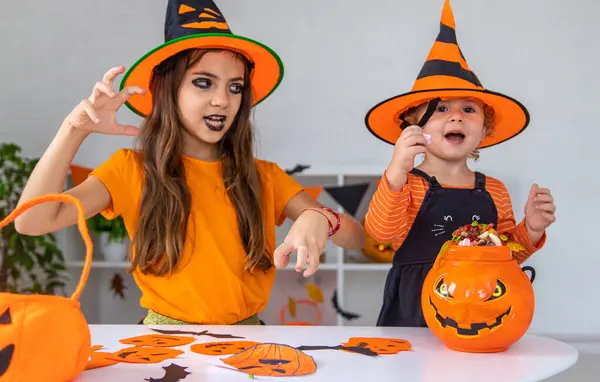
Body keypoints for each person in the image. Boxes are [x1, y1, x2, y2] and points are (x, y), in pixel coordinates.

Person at [14, 0, 365, 326]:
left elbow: (356, 238)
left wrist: (319, 217)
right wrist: (73, 130)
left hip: (249, 345)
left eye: (235, 87)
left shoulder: (264, 176)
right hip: (162, 346)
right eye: (203, 83)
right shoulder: (131, 170)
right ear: (169, 90)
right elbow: (31, 222)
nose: (222, 100)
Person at [363, 0, 556, 327]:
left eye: (469, 109)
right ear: (415, 126)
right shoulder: (407, 183)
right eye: (440, 109)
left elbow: (507, 254)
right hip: (416, 311)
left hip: (478, 306)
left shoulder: (494, 189)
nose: (455, 115)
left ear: (484, 130)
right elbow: (382, 233)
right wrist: (396, 172)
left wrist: (532, 228)